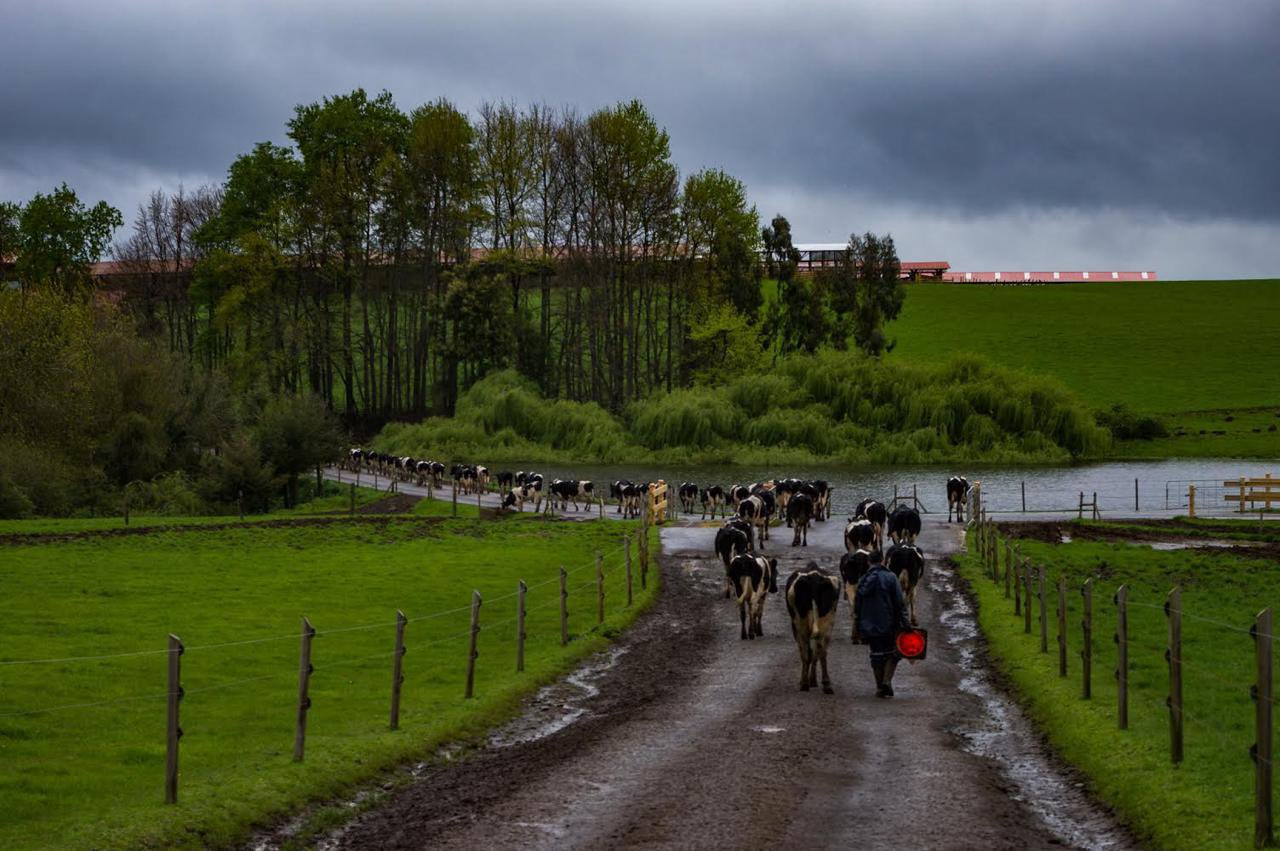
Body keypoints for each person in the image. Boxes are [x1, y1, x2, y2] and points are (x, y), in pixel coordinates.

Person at [853, 549, 910, 698]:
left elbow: (857, 606)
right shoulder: (891, 577)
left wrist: (857, 626)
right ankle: (886, 680)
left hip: (868, 625)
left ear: (869, 562)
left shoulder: (863, 580)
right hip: (889, 623)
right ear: (883, 561)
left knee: (876, 655)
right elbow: (899, 603)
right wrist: (906, 623)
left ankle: (879, 687)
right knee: (894, 653)